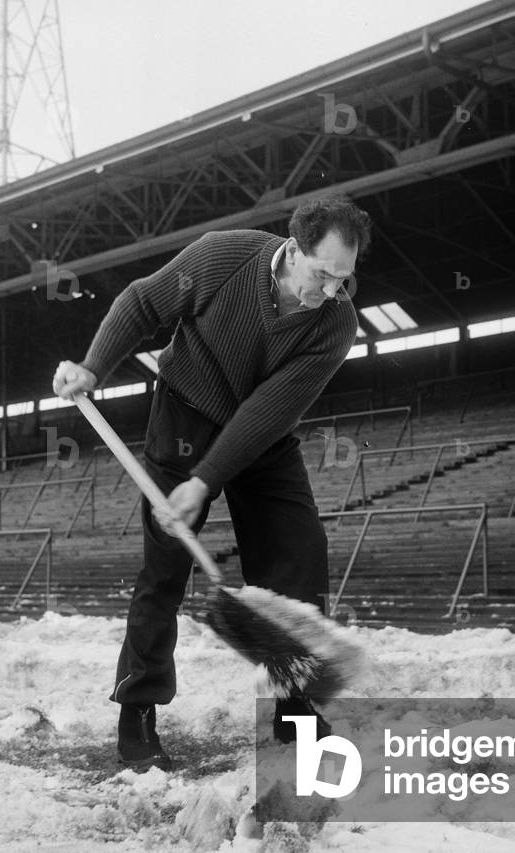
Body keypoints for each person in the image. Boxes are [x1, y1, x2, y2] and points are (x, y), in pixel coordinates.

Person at [53, 195, 372, 771]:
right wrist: (94, 366)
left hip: (262, 438)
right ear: (293, 250)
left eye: (342, 281)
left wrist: (204, 483)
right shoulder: (224, 256)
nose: (329, 291)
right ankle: (138, 708)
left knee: (299, 558)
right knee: (164, 567)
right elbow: (142, 301)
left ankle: (295, 715)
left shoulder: (336, 322)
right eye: (322, 274)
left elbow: (265, 413)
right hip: (184, 413)